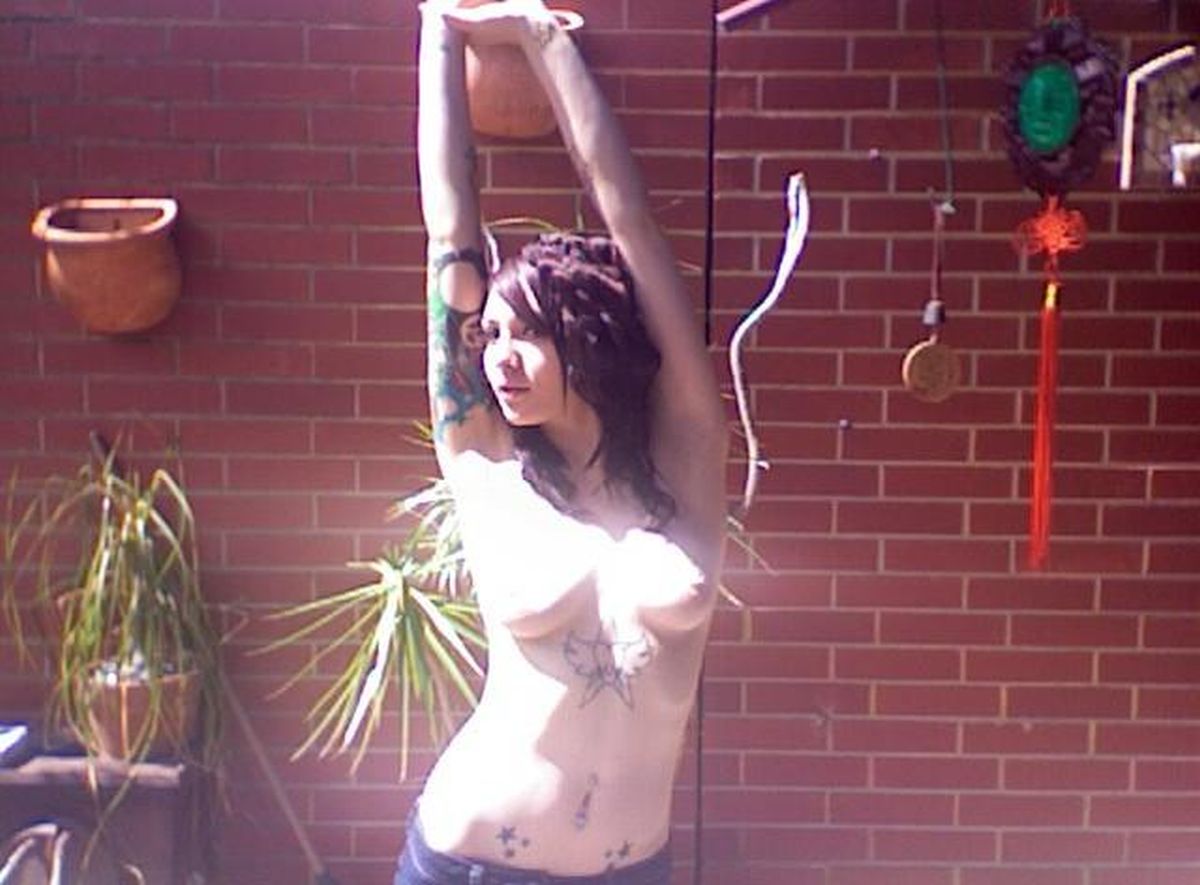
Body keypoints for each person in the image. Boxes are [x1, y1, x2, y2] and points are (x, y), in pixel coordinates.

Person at [399, 1, 728, 882]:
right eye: (491, 335)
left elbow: (633, 225)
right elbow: (450, 234)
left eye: (529, 334)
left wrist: (545, 40)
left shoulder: (687, 457)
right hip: (468, 861)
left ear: (587, 338)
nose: (498, 357)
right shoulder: (486, 464)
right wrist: (438, 31)